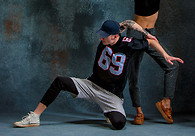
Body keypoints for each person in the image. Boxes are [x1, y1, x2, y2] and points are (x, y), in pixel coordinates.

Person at [13, 20, 183, 129]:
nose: (101, 38)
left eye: (104, 36)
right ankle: (35, 116)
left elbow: (151, 41)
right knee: (60, 81)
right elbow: (129, 23)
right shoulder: (112, 35)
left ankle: (109, 112)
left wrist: (166, 55)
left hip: (111, 95)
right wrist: (131, 28)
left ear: (115, 36)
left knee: (118, 124)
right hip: (91, 85)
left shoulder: (130, 44)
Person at [88, 0, 180, 125]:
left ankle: (166, 102)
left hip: (151, 34)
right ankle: (139, 112)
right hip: (136, 34)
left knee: (172, 65)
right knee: (133, 75)